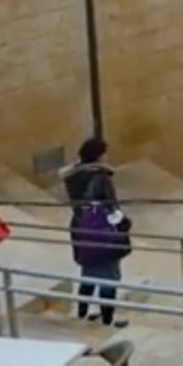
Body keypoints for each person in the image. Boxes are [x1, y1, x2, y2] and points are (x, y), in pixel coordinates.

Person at [64, 136, 132, 327]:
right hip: (103, 229)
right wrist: (124, 224)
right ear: (100, 155)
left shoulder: (73, 177)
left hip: (81, 228)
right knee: (108, 276)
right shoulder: (101, 177)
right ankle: (107, 320)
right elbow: (111, 207)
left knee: (88, 272)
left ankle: (82, 313)